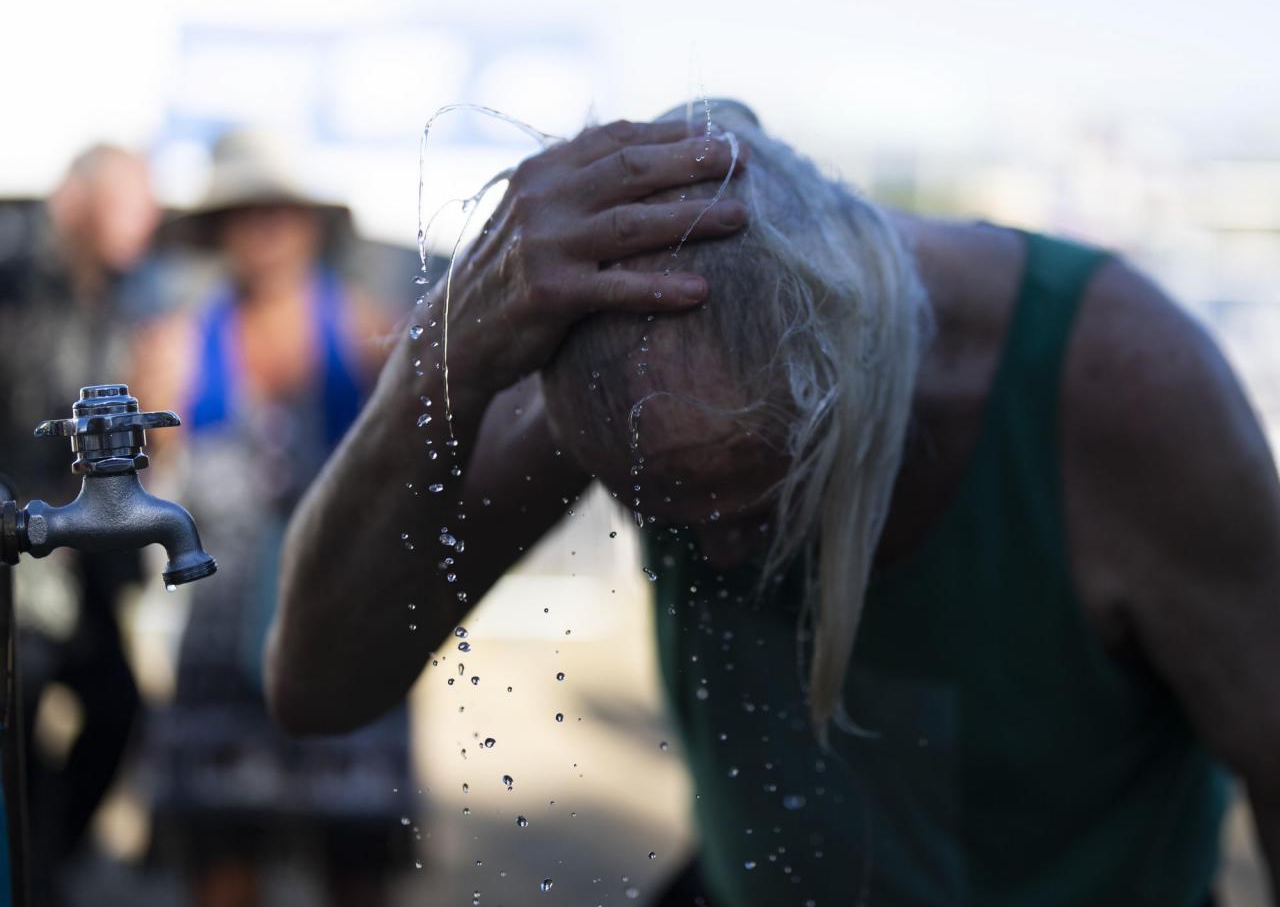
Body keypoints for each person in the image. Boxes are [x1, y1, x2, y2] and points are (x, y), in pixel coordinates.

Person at [266, 102, 1280, 906]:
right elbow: (316, 689)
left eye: (757, 497)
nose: (717, 548)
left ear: (854, 381)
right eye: (656, 510)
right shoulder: (625, 380)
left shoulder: (1116, 390)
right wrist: (433, 364)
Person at [132, 128, 413, 907]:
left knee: (355, 870)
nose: (263, 229)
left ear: (310, 222)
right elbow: (147, 483)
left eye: (278, 211)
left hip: (349, 633)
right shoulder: (179, 347)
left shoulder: (368, 332)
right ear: (220, 228)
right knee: (223, 871)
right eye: (244, 212)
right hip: (221, 649)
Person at [0, 144, 160, 906]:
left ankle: (46, 861)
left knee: (118, 705)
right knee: (18, 707)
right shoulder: (17, 276)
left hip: (77, 550)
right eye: (130, 201)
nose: (148, 218)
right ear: (81, 201)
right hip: (18, 535)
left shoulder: (115, 296)